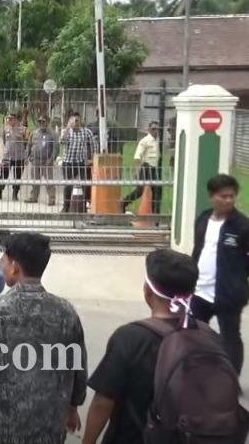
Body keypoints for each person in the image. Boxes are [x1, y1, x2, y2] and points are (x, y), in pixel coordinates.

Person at [0, 232, 87, 444]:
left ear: (14, 267)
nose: (1, 265)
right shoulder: (66, 312)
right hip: (48, 427)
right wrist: (73, 406)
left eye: (3, 260)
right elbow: (77, 366)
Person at [82, 249, 200, 444]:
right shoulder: (207, 337)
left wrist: (88, 441)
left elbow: (103, 400)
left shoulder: (130, 338)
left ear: (147, 291)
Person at [191, 174, 249, 373]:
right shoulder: (203, 219)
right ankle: (194, 374)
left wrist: (237, 281)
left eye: (231, 196)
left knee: (230, 337)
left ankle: (230, 379)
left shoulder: (242, 226)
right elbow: (198, 250)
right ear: (211, 196)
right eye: (223, 196)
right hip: (199, 291)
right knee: (193, 334)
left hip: (228, 294)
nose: (228, 200)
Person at [59, 112, 97, 213]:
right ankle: (66, 207)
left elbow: (94, 146)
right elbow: (62, 142)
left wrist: (91, 159)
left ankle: (83, 206)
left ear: (80, 121)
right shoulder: (66, 131)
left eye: (77, 120)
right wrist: (68, 128)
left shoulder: (86, 132)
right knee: (68, 185)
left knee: (84, 185)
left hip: (81, 162)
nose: (75, 122)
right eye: (73, 120)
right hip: (68, 162)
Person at [121, 122, 162, 215]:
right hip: (146, 167)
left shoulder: (158, 141)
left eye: (157, 129)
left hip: (154, 168)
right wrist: (137, 170)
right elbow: (137, 156)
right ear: (149, 130)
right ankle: (124, 202)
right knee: (140, 190)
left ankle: (155, 214)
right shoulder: (145, 141)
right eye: (153, 129)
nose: (155, 131)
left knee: (156, 190)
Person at [26, 115, 58, 205]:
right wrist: (27, 157)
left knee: (49, 181)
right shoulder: (34, 132)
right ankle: (33, 197)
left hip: (46, 161)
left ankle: (52, 198)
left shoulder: (53, 134)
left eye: (43, 121)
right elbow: (29, 145)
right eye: (40, 121)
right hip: (35, 160)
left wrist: (51, 159)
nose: (41, 123)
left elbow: (56, 148)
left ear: (48, 122)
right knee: (34, 180)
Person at [0, 113, 28, 202]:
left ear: (16, 119)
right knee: (3, 175)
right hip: (7, 157)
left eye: (11, 119)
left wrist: (26, 157)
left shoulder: (23, 130)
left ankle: (15, 194)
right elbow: (4, 140)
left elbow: (26, 144)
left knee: (17, 177)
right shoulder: (5, 128)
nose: (9, 120)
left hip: (19, 157)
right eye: (8, 118)